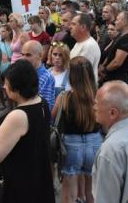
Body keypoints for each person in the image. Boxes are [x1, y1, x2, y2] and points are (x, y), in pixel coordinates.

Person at [0, 60, 55, 203]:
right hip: (38, 177)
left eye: (7, 84)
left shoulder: (18, 116)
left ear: (17, 89)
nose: (4, 87)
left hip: (20, 183)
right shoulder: (42, 103)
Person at [52, 57, 101, 203]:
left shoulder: (64, 97)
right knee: (91, 190)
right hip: (95, 142)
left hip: (71, 145)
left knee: (69, 192)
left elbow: (53, 117)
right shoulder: (99, 96)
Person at [21, 40, 55, 110]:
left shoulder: (46, 77)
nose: (23, 58)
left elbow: (44, 107)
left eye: (28, 55)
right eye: (22, 55)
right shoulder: (25, 72)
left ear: (40, 55)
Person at [69, 13, 101, 82]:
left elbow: (81, 71)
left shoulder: (89, 45)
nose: (70, 27)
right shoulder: (79, 42)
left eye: (74, 24)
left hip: (84, 89)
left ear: (83, 27)